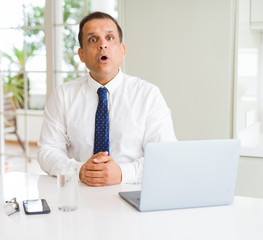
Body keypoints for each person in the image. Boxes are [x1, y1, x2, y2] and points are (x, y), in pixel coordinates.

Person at [37, 11, 176, 187]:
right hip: (80, 193)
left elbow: (166, 156)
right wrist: (80, 170)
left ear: (122, 50)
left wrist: (122, 173)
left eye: (110, 38)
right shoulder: (63, 95)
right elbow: (47, 151)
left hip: (132, 193)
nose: (103, 45)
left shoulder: (148, 95)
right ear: (81, 55)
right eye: (93, 40)